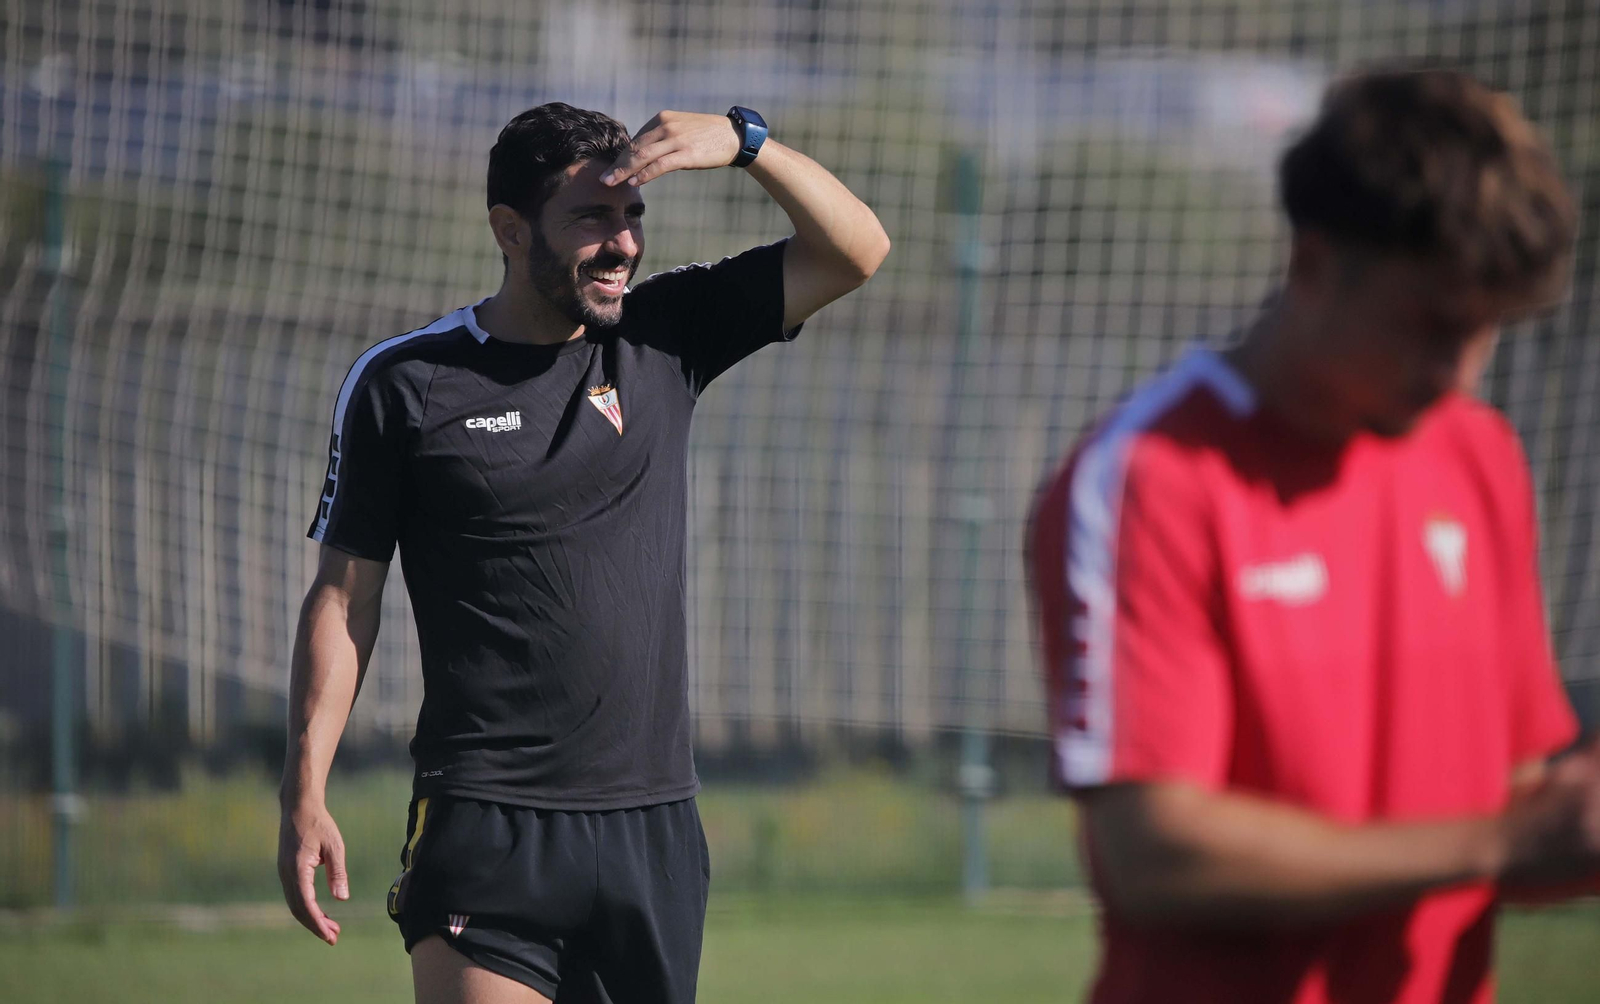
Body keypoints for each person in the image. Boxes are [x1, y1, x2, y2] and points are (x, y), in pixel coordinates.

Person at [276, 102, 889, 1004]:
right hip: (487, 820)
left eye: (634, 214)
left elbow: (856, 251)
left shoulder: (665, 336)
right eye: (592, 217)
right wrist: (304, 786)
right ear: (510, 230)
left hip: (654, 829)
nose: (623, 243)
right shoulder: (406, 383)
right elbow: (343, 599)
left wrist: (746, 146)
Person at [1027, 67, 1600, 1004]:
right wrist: (1505, 840)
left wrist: (1565, 831)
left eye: (1489, 329)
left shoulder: (1479, 457)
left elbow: (1517, 810)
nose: (1459, 370)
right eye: (1432, 323)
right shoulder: (1153, 480)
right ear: (1315, 263)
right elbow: (1153, 854)